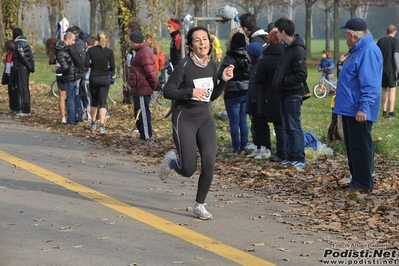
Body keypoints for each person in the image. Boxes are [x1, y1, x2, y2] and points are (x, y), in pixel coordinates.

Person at [159, 26, 234, 220]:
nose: (202, 43)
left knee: (209, 163)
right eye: (197, 40)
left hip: (204, 117)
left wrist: (223, 81)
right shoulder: (184, 65)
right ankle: (171, 162)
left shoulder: (212, 65)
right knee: (188, 169)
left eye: (205, 39)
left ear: (209, 42)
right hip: (184, 117)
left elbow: (211, 96)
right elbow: (168, 91)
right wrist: (189, 92)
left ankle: (200, 205)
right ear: (191, 46)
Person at [334, 18, 382, 193]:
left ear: (352, 35)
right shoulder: (357, 50)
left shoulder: (367, 51)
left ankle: (364, 183)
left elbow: (370, 84)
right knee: (353, 147)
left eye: (345, 34)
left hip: (358, 110)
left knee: (360, 146)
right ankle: (357, 180)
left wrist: (364, 107)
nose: (345, 38)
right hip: (349, 108)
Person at [272, 17, 307, 168]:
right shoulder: (287, 48)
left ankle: (299, 157)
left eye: (277, 32)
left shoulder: (297, 50)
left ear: (283, 32)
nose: (276, 36)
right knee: (287, 127)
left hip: (292, 94)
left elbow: (301, 74)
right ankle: (290, 155)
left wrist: (284, 82)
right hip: (284, 93)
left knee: (294, 127)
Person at [255, 30, 287, 163]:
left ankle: (281, 153)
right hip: (288, 92)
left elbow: (260, 79)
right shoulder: (287, 55)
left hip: (272, 94)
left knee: (278, 126)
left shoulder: (266, 59)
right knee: (289, 125)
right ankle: (291, 152)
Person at [218, 30, 250, 154]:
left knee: (234, 122)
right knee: (243, 121)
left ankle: (236, 147)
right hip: (246, 91)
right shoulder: (248, 55)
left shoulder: (230, 57)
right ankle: (244, 146)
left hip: (232, 92)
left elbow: (220, 74)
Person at [128, 30, 158, 141]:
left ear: (136, 42)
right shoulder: (140, 51)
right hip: (139, 87)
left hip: (142, 87)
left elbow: (150, 71)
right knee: (139, 112)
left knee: (143, 112)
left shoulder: (144, 53)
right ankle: (143, 134)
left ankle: (146, 135)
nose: (131, 44)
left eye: (131, 42)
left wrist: (154, 84)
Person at [84, 30, 115, 134]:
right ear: (106, 39)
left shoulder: (91, 51)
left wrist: (94, 66)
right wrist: (106, 68)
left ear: (96, 39)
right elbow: (113, 67)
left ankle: (93, 123)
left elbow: (86, 63)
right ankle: (102, 125)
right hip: (104, 78)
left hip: (94, 78)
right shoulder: (109, 52)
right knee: (102, 102)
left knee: (94, 101)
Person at [245, 42, 271, 159]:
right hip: (253, 99)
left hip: (259, 99)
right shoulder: (253, 65)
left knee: (261, 125)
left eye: (248, 53)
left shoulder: (260, 65)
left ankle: (265, 148)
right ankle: (258, 146)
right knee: (255, 125)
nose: (246, 55)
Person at [376, 25, 399, 119]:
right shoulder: (395, 41)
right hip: (391, 69)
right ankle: (391, 112)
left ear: (386, 31)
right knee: (393, 90)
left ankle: (384, 111)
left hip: (381, 69)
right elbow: (395, 56)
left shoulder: (380, 41)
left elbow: (376, 55)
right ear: (395, 32)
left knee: (384, 90)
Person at [55, 31, 77, 125]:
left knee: (65, 97)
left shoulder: (63, 49)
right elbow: (66, 66)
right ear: (67, 39)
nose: (74, 42)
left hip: (67, 75)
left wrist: (57, 70)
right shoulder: (65, 50)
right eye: (73, 40)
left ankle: (66, 118)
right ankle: (69, 119)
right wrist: (57, 70)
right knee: (69, 97)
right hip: (67, 75)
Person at [13, 27, 35, 117]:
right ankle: (25, 108)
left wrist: (28, 66)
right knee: (25, 87)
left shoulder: (18, 43)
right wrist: (31, 66)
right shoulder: (25, 41)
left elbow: (22, 56)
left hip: (22, 68)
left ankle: (26, 110)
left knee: (23, 88)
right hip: (26, 68)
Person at [45, 37, 67, 124]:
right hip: (66, 73)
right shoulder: (63, 50)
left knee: (61, 97)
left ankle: (63, 117)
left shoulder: (53, 54)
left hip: (59, 74)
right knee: (70, 96)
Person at [2, 40, 20, 114]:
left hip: (14, 75)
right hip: (9, 74)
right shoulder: (8, 55)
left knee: (15, 92)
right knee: (10, 92)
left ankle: (16, 108)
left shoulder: (14, 55)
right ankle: (12, 107)